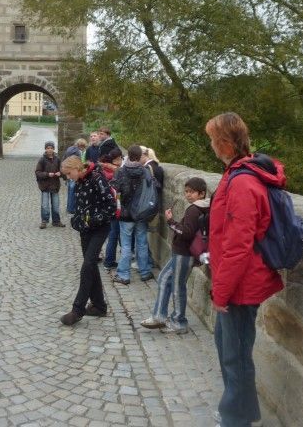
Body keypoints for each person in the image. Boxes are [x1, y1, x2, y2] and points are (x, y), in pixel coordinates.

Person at [205, 112, 285, 427]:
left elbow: (238, 245)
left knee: (235, 355)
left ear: (224, 143)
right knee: (229, 348)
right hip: (237, 281)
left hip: (240, 285)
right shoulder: (238, 173)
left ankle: (235, 420)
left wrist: (221, 292)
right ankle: (245, 412)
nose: (211, 145)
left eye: (213, 139)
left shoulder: (242, 181)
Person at [140, 177, 209, 335]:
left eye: (192, 192)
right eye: (186, 191)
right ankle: (159, 315)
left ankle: (178, 321)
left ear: (202, 193)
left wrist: (171, 221)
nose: (188, 195)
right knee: (165, 279)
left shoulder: (194, 209)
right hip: (184, 253)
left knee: (177, 286)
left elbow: (187, 233)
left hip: (184, 253)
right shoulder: (203, 207)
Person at [59, 155, 117, 326]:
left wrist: (93, 220)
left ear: (77, 168)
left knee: (87, 266)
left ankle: (78, 310)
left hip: (100, 228)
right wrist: (77, 221)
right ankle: (99, 305)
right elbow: (80, 206)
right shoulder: (79, 182)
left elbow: (111, 206)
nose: (68, 178)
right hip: (85, 231)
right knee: (90, 265)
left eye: (69, 173)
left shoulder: (97, 178)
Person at [111, 145, 153, 284]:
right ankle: (145, 271)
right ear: (140, 156)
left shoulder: (121, 171)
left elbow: (114, 190)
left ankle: (124, 274)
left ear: (128, 155)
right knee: (142, 243)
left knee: (126, 244)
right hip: (141, 213)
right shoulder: (145, 171)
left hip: (126, 214)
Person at [99, 149, 123, 269]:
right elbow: (116, 192)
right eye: (118, 159)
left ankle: (109, 260)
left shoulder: (102, 171)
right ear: (112, 161)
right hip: (115, 207)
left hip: (108, 207)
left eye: (121, 158)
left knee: (112, 235)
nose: (120, 161)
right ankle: (109, 261)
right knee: (114, 235)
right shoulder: (113, 173)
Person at [34, 141, 64, 229]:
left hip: (55, 185)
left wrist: (60, 173)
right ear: (45, 149)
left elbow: (63, 170)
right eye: (48, 148)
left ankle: (56, 221)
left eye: (51, 148)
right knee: (45, 205)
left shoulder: (57, 159)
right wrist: (47, 174)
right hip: (45, 186)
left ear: (53, 149)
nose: (49, 150)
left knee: (56, 205)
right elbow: (38, 172)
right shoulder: (42, 160)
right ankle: (44, 221)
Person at [62, 138, 87, 214]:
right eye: (82, 146)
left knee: (70, 190)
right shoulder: (77, 152)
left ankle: (69, 207)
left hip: (69, 172)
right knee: (73, 190)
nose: (83, 148)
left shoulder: (69, 149)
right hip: (73, 172)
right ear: (80, 145)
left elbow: (64, 159)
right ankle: (72, 208)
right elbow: (77, 163)